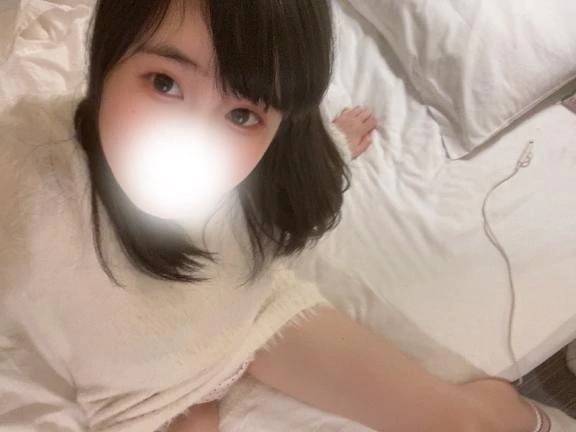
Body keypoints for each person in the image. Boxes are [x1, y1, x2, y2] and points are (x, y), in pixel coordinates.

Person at [0, 1, 544, 431]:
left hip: (243, 323)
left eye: (241, 114)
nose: (192, 142)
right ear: (108, 58)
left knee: (471, 424)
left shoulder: (261, 174)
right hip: (139, 393)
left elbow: (291, 161)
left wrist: (334, 142)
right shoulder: (24, 167)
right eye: (165, 83)